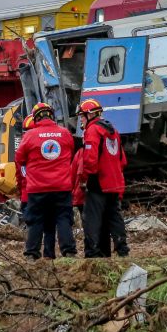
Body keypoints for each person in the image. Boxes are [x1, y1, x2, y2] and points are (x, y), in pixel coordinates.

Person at [14, 102, 76, 260]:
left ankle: (32, 254)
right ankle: (68, 252)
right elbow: (71, 153)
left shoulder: (30, 135)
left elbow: (19, 159)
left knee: (36, 220)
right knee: (63, 218)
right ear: (51, 115)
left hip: (37, 188)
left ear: (35, 118)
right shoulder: (65, 133)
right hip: (62, 186)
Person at [76, 99, 128, 257]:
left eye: (82, 116)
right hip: (115, 182)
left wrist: (84, 179)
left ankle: (93, 253)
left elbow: (90, 161)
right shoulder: (113, 131)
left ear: (90, 114)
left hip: (98, 182)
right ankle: (122, 250)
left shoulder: (92, 131)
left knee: (92, 219)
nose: (81, 120)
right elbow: (123, 160)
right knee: (114, 217)